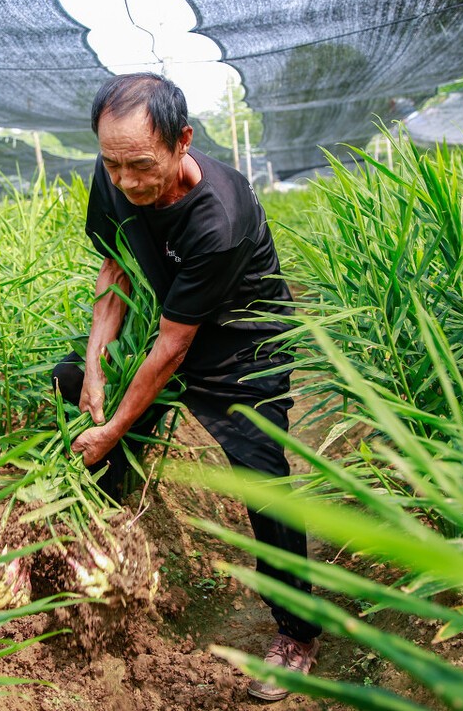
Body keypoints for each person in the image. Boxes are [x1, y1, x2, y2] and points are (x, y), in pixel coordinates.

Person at [51, 72, 321, 702]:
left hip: (240, 343)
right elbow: (115, 264)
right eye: (112, 165)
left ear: (182, 143)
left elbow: (173, 348)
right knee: (69, 380)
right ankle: (109, 541)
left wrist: (116, 422)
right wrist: (95, 363)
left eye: (141, 166)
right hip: (168, 317)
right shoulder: (115, 172)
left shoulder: (219, 217)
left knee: (262, 480)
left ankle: (297, 633)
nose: (126, 182)